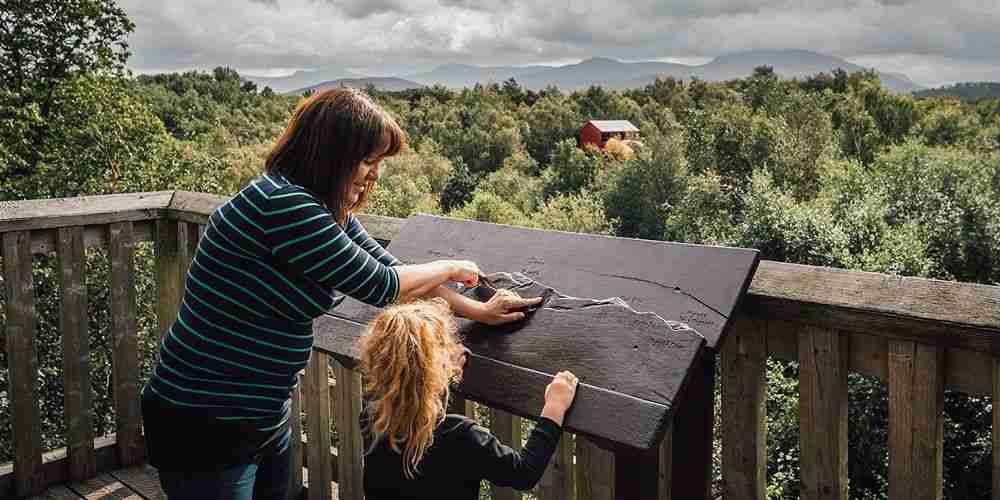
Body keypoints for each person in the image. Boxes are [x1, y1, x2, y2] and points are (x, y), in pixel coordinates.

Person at [140, 87, 541, 500]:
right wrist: (454, 267)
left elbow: (391, 271)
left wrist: (478, 311)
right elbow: (381, 285)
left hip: (261, 411)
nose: (375, 174)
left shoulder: (322, 207)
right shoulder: (284, 205)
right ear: (331, 154)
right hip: (205, 416)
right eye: (368, 160)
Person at [359, 299, 579, 500]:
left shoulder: (372, 419)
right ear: (436, 369)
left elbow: (413, 389)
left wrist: (445, 366)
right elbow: (523, 473)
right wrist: (554, 407)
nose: (457, 347)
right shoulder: (460, 436)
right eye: (446, 345)